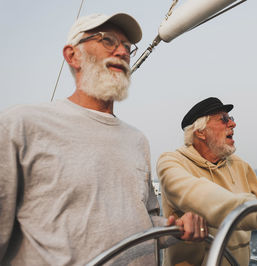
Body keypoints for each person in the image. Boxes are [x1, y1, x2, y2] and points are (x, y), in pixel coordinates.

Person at [0, 13, 207, 265]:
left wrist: (175, 228)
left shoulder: (137, 140)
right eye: (108, 40)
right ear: (72, 55)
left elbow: (142, 223)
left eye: (128, 47)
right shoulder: (20, 125)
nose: (122, 52)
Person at [157, 97, 257, 266]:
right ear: (200, 132)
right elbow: (199, 195)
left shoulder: (239, 165)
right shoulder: (171, 162)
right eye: (224, 119)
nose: (233, 124)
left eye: (231, 119)